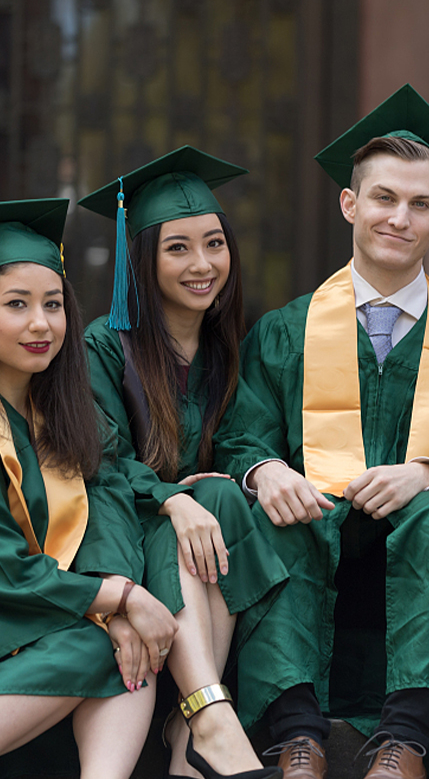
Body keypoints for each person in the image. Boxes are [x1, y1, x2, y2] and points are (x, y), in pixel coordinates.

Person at [237, 84, 429, 779]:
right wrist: (265, 471)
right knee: (286, 503)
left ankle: (406, 737)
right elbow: (240, 439)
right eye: (383, 198)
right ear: (351, 204)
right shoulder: (286, 334)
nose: (398, 218)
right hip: (313, 561)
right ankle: (296, 735)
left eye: (420, 204)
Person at [77, 148, 288, 779]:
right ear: (141, 258)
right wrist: (170, 497)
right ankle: (207, 722)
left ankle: (196, 727)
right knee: (197, 509)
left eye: (215, 244)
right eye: (177, 248)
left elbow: (242, 447)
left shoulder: (233, 348)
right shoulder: (101, 347)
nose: (203, 265)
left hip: (210, 540)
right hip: (120, 538)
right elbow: (99, 464)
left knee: (222, 498)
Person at [0, 198, 178, 778]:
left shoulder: (61, 414)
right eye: (16, 305)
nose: (40, 324)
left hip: (41, 623)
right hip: (15, 618)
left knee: (126, 645)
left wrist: (174, 496)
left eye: (53, 305)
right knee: (110, 641)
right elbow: (8, 570)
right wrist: (121, 600)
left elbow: (111, 487)